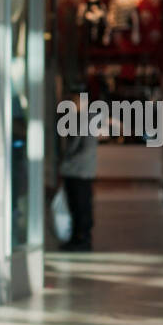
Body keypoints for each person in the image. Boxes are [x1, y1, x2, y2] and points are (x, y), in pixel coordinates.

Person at [58, 89, 98, 251]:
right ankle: (79, 237)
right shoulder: (84, 119)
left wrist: (65, 164)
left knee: (79, 206)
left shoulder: (84, 120)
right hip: (82, 171)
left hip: (77, 171)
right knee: (80, 206)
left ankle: (81, 238)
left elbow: (79, 148)